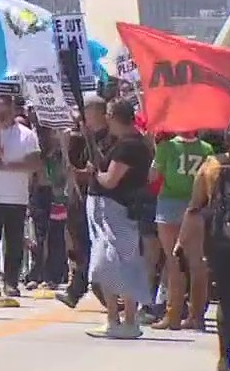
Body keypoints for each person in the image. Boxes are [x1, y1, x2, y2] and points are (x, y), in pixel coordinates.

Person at [179, 116, 230, 371]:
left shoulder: (213, 165)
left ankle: (223, 360)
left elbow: (195, 206)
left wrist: (181, 241)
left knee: (227, 300)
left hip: (222, 242)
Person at [83, 99, 154, 339]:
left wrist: (95, 172)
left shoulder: (128, 146)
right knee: (124, 260)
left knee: (112, 261)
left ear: (114, 116)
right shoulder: (139, 142)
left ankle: (119, 318)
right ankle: (121, 319)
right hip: (123, 208)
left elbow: (110, 180)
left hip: (114, 209)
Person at [150, 131, 214, 330]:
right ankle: (196, 316)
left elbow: (152, 177)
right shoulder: (206, 149)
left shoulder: (166, 147)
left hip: (169, 204)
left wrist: (156, 151)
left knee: (172, 261)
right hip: (196, 204)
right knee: (197, 262)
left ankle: (173, 315)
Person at [0, 94, 41, 298]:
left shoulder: (26, 135)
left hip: (16, 197)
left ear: (13, 109)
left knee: (13, 243)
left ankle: (11, 281)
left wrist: (7, 166)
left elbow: (35, 164)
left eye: (4, 107)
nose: (0, 111)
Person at [58, 93, 113, 309]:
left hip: (102, 199)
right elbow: (71, 166)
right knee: (79, 245)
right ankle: (76, 289)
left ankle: (106, 294)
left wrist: (84, 173)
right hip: (80, 198)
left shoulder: (108, 138)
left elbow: (99, 168)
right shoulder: (79, 137)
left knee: (101, 249)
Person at [26, 127, 69, 289]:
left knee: (56, 235)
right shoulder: (37, 153)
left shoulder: (60, 153)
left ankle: (54, 275)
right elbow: (32, 176)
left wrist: (61, 150)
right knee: (39, 237)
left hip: (57, 195)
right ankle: (37, 274)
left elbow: (64, 173)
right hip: (40, 195)